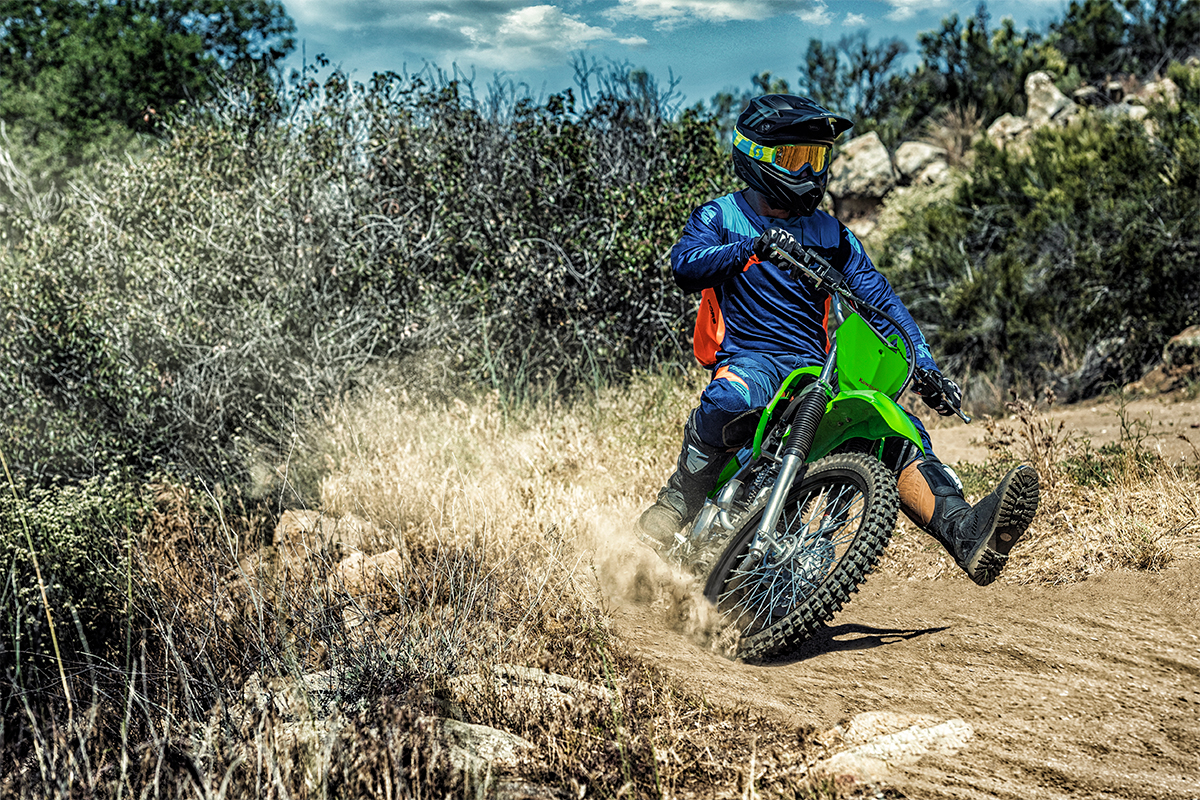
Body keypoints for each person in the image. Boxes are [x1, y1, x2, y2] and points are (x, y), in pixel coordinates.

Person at [637, 94, 1040, 586]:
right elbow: (685, 264)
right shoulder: (720, 216)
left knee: (897, 431)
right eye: (796, 158)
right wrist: (753, 247)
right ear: (755, 156)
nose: (810, 171)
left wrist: (926, 366)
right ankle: (679, 497)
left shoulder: (833, 235)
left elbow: (882, 303)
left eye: (818, 157)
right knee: (731, 396)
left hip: (815, 370)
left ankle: (967, 531)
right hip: (753, 359)